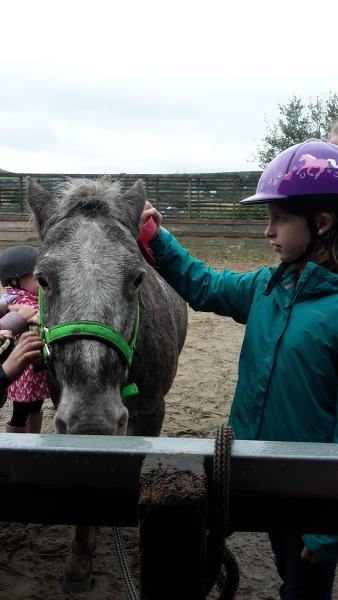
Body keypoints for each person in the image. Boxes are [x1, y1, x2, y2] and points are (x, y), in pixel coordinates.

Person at [139, 138, 338, 600]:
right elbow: (205, 285)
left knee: (303, 584)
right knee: (281, 559)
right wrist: (157, 239)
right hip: (259, 466)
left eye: (278, 219)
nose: (268, 231)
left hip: (315, 492)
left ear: (322, 223)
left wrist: (329, 529)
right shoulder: (267, 286)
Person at [0, 245, 49, 434]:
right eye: (37, 277)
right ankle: (17, 446)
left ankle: (33, 441)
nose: (43, 282)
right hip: (21, 370)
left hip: (34, 368)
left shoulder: (33, 297)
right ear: (15, 280)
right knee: (20, 412)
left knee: (36, 406)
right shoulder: (19, 301)